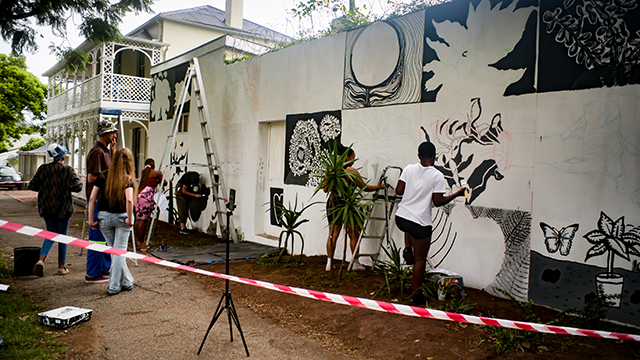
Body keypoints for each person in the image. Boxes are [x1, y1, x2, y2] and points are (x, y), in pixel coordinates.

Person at [395, 142, 467, 306]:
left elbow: (399, 191)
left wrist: (412, 191)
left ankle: (408, 248)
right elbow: (438, 201)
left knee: (410, 224)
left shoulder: (408, 169)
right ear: (434, 156)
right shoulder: (437, 176)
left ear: (419, 156)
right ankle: (415, 296)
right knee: (420, 260)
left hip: (401, 218)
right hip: (420, 223)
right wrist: (457, 193)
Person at [325, 146, 384, 272]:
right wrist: (380, 186)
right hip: (349, 204)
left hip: (333, 203)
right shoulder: (351, 171)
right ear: (346, 157)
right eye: (352, 157)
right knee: (353, 234)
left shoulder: (330, 170)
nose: (354, 160)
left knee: (332, 234)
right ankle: (355, 262)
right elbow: (364, 187)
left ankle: (329, 263)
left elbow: (325, 189)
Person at [88, 148, 137, 295]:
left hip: (103, 217)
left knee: (115, 252)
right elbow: (129, 199)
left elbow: (92, 199)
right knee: (119, 252)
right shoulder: (128, 178)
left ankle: (127, 281)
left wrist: (91, 220)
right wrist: (130, 218)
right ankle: (113, 287)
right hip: (122, 217)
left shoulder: (103, 176)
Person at [29, 143, 83, 277]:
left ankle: (41, 260)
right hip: (63, 208)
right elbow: (78, 187)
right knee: (62, 236)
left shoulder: (42, 169)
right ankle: (61, 267)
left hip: (46, 207)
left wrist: (45, 187)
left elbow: (32, 185)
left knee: (50, 234)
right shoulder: (68, 170)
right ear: (62, 155)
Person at [85, 119, 118, 283]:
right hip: (97, 200)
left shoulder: (106, 152)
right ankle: (92, 273)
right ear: (106, 133)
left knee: (105, 238)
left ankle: (104, 268)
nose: (115, 135)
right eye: (113, 132)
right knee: (96, 239)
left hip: (105, 201)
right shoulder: (97, 152)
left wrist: (113, 152)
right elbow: (92, 177)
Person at [134, 158, 165, 251]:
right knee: (143, 220)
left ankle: (137, 239)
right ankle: (141, 241)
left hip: (139, 194)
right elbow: (165, 182)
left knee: (138, 218)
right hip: (147, 196)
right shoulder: (157, 173)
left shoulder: (144, 172)